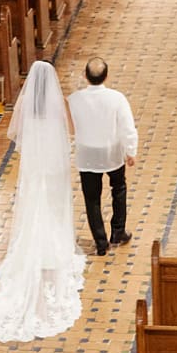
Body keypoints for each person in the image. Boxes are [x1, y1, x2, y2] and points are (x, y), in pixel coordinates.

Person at [0, 60, 85, 342]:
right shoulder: (60, 103)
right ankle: (55, 247)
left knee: (35, 206)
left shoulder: (25, 106)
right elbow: (71, 130)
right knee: (54, 207)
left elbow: (13, 133)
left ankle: (34, 244)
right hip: (54, 165)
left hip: (34, 166)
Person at [68, 58, 138, 256]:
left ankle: (100, 243)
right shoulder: (117, 98)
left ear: (85, 76)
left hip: (87, 154)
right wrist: (130, 151)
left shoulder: (74, 99)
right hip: (112, 152)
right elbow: (127, 127)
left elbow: (71, 128)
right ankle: (118, 231)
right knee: (119, 189)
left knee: (92, 199)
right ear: (106, 76)